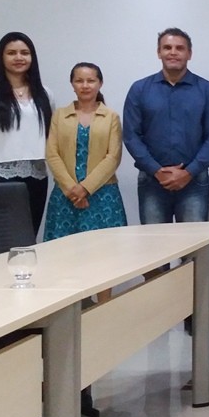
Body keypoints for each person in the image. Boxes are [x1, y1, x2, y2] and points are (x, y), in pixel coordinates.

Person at [123, 27, 209, 225]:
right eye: (167, 47)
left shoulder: (206, 90)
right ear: (159, 52)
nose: (173, 52)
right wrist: (157, 171)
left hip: (194, 181)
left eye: (180, 48)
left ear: (189, 54)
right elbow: (131, 135)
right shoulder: (140, 89)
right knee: (156, 247)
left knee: (195, 246)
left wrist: (188, 172)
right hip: (152, 182)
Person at [43, 64, 128, 279]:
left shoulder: (111, 117)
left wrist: (85, 188)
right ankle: (72, 308)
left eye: (90, 80)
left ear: (100, 83)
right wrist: (72, 188)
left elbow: (113, 157)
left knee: (104, 257)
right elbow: (52, 154)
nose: (85, 85)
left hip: (102, 196)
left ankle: (103, 308)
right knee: (63, 257)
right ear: (72, 84)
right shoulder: (60, 115)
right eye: (79, 80)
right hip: (65, 196)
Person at [0, 31, 54, 234]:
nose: (19, 57)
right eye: (11, 53)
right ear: (1, 57)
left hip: (36, 176)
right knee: (1, 239)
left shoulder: (44, 93)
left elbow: (52, 137)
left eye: (24, 52)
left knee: (29, 237)